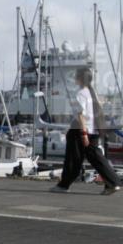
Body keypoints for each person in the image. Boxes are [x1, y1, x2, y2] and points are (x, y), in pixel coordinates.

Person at [50, 67, 120, 195]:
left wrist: (83, 134)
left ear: (80, 78)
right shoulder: (92, 93)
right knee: (97, 158)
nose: (74, 77)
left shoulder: (81, 93)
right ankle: (112, 183)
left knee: (73, 159)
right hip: (92, 129)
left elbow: (80, 115)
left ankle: (63, 185)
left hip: (80, 131)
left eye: (76, 75)